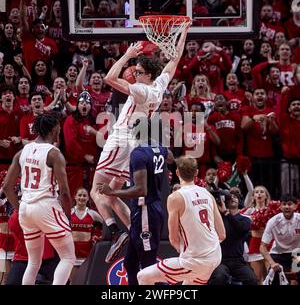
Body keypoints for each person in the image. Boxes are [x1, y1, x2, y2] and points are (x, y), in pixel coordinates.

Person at [90, 23, 190, 263]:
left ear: (147, 75)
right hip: (133, 143)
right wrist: (184, 32)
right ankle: (132, 235)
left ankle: (114, 233)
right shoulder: (158, 85)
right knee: (113, 195)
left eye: (139, 70)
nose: (135, 72)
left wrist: (127, 55)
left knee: (96, 190)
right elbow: (174, 61)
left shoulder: (141, 90)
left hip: (121, 140)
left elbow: (109, 78)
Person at [2, 111, 76, 285]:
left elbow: (6, 187)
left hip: (26, 207)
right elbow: (64, 191)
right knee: (68, 257)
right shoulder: (54, 153)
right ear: (54, 128)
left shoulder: (23, 151)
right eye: (58, 126)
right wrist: (68, 216)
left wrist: (20, 209)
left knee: (34, 262)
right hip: (45, 205)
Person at [98, 118, 173, 284]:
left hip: (146, 211)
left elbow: (141, 190)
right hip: (150, 209)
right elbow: (171, 157)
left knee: (147, 266)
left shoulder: (138, 154)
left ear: (136, 132)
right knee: (130, 264)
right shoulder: (158, 147)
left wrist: (113, 192)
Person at [137, 156, 226, 285]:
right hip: (215, 256)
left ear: (177, 172)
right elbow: (222, 234)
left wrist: (190, 253)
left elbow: (173, 239)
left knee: (143, 277)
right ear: (196, 173)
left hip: (195, 261)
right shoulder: (207, 194)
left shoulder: (175, 198)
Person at [208, 192, 258, 285]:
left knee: (252, 279)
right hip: (221, 260)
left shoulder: (245, 219)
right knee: (219, 277)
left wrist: (227, 213)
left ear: (239, 201)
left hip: (238, 260)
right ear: (225, 202)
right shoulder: (220, 219)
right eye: (230, 198)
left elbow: (240, 228)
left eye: (235, 197)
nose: (233, 198)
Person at [260, 195, 300, 285]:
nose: (286, 207)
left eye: (289, 204)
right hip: (279, 253)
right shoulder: (273, 221)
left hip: (297, 253)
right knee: (275, 274)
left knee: (297, 272)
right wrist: (272, 263)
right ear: (280, 207)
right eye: (284, 204)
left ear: (295, 206)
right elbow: (262, 247)